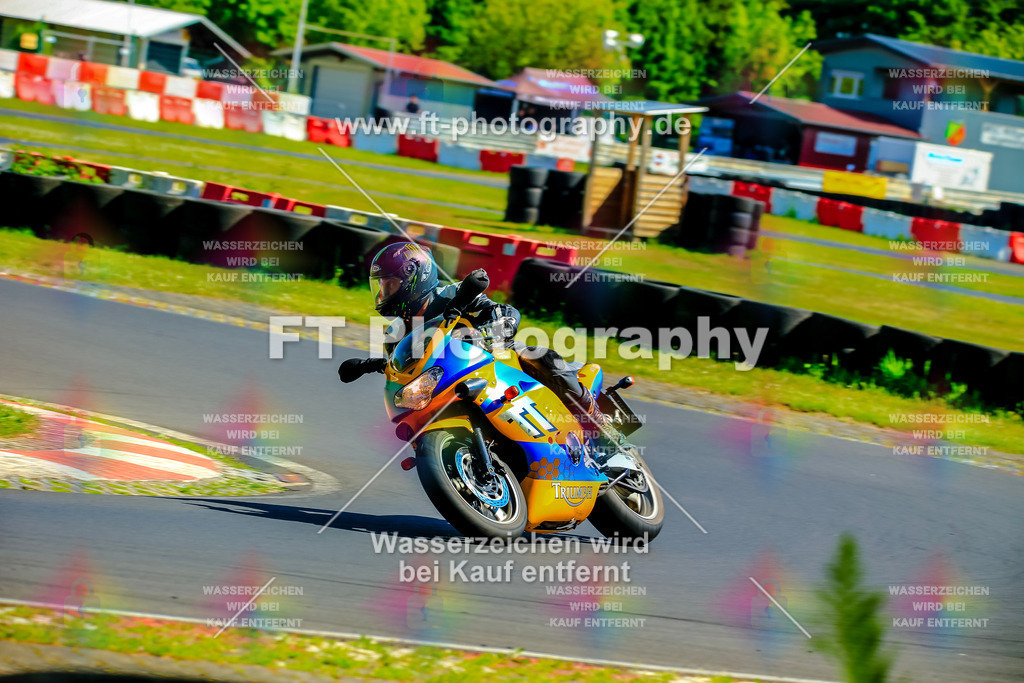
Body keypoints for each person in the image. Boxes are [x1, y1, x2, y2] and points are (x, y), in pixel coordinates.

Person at [338, 242, 623, 450]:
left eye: (389, 285)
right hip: (451, 380)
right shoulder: (395, 333)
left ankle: (596, 418)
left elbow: (502, 311)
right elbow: (402, 371)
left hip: (495, 356)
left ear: (415, 276)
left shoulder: (452, 294)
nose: (383, 293)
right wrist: (380, 368)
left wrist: (494, 329)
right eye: (381, 286)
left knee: (541, 357)